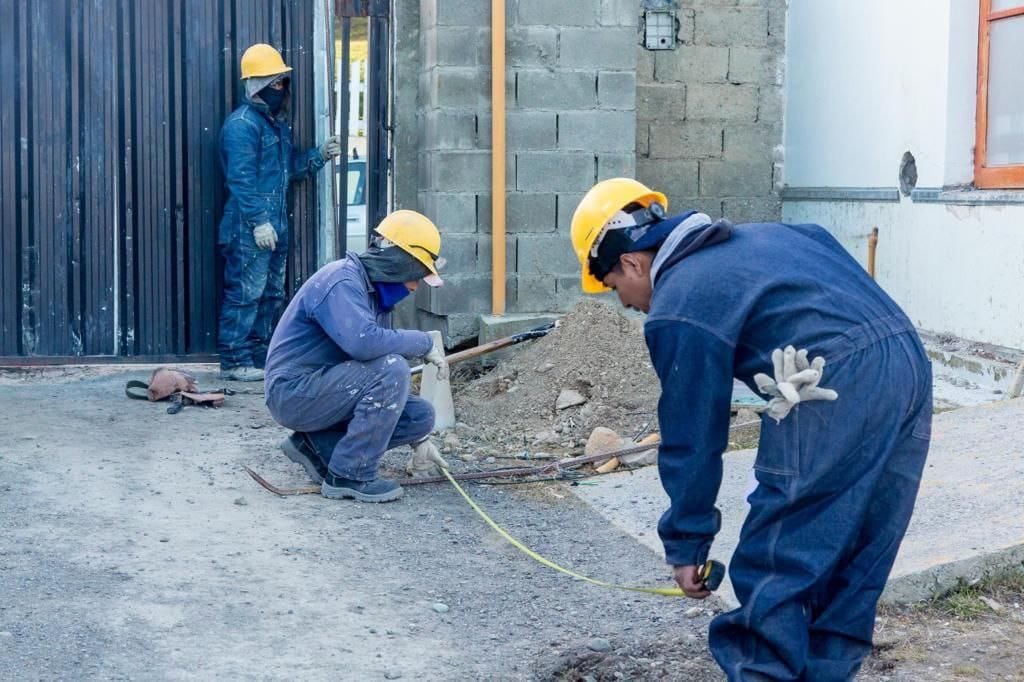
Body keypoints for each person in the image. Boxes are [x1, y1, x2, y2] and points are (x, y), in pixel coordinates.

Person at [569, 178, 932, 681]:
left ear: (632, 262)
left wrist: (687, 545)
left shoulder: (678, 304)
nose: (627, 305)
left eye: (614, 289)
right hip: (908, 362)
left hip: (826, 384)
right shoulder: (778, 236)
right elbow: (830, 265)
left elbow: (694, 434)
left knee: (781, 551)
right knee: (863, 543)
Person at [263, 210, 450, 503]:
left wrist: (420, 442)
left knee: (420, 417)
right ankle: (350, 474)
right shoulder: (341, 282)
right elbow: (363, 344)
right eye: (416, 275)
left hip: (324, 390)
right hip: (293, 393)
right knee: (392, 370)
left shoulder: (373, 294)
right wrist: (423, 342)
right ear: (399, 263)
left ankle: (317, 445)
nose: (414, 287)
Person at [216, 43, 341, 381]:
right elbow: (240, 180)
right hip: (249, 228)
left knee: (270, 293)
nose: (281, 89)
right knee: (246, 293)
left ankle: (257, 355)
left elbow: (289, 170)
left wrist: (318, 155)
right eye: (274, 83)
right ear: (256, 86)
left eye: (282, 83)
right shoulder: (242, 125)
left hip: (274, 225)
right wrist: (258, 222)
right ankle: (234, 360)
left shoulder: (274, 125)